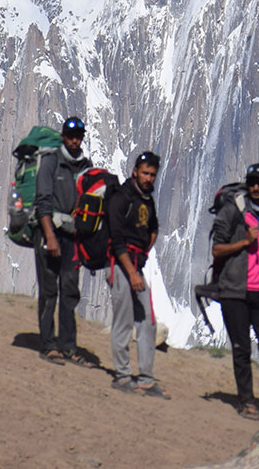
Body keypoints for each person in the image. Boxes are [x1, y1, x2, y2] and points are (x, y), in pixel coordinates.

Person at [209, 162, 259, 421]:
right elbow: (217, 249)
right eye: (252, 182)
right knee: (241, 348)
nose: (256, 187)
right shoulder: (232, 212)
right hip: (235, 291)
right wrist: (246, 241)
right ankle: (246, 400)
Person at [34, 116, 94, 365]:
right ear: (64, 136)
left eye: (79, 135)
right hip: (50, 234)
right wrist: (49, 237)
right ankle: (48, 345)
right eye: (71, 135)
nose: (75, 139)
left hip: (73, 237)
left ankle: (69, 347)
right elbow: (42, 201)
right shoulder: (51, 162)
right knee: (49, 291)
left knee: (70, 291)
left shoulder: (85, 166)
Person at [106, 150, 166, 397]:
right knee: (123, 321)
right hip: (121, 266)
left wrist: (143, 253)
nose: (149, 178)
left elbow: (153, 228)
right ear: (135, 172)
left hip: (136, 266)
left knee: (147, 322)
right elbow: (116, 240)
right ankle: (121, 376)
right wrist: (131, 271)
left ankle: (146, 378)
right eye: (145, 173)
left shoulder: (147, 200)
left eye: (152, 174)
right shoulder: (121, 198)